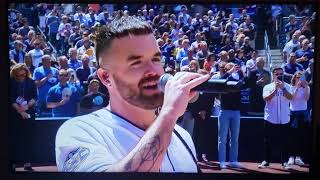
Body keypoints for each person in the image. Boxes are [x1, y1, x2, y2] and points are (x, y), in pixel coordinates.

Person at [55, 14, 209, 172]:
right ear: (106, 77)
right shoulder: (79, 131)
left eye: (156, 59)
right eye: (136, 63)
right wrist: (169, 114)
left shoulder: (182, 136)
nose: (153, 71)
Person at [258, 67, 294, 170]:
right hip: (270, 117)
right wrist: (275, 90)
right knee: (268, 140)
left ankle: (285, 162)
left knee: (285, 141)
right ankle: (266, 161)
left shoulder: (288, 86)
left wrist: (282, 88)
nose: (279, 76)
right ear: (273, 75)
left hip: (284, 118)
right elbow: (266, 98)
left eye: (281, 74)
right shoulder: (268, 87)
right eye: (277, 74)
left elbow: (291, 97)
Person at [10, 63, 37, 171]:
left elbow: (35, 97)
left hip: (29, 112)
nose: (22, 75)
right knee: (14, 139)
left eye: (24, 73)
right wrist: (20, 111)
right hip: (14, 114)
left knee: (28, 139)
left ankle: (27, 163)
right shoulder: (11, 83)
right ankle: (12, 163)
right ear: (15, 73)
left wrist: (26, 107)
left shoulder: (31, 82)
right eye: (19, 74)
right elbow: (11, 98)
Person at [217, 62, 245, 169]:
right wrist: (229, 72)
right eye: (231, 66)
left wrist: (240, 73)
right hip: (224, 111)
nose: (234, 68)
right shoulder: (225, 77)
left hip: (236, 111)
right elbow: (219, 82)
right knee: (222, 138)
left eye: (235, 66)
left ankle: (233, 160)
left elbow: (244, 83)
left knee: (234, 138)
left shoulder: (239, 77)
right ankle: (222, 161)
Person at [287, 71, 310, 167]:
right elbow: (292, 98)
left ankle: (298, 157)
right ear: (294, 78)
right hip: (293, 113)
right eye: (297, 77)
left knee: (301, 136)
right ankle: (291, 157)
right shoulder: (291, 87)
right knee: (292, 135)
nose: (299, 79)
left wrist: (305, 87)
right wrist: (297, 88)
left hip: (303, 113)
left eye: (301, 77)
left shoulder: (307, 88)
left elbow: (306, 98)